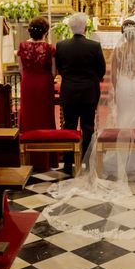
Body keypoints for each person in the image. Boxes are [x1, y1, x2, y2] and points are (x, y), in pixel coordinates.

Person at [42, 20, 135, 239]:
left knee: (124, 121)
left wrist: (114, 94)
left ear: (123, 33)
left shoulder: (118, 50)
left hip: (124, 86)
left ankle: (124, 159)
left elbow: (112, 75)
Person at [55, 13, 106, 175]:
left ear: (70, 27)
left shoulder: (61, 45)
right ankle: (87, 162)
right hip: (89, 91)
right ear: (85, 27)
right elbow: (101, 69)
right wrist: (91, 80)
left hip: (69, 90)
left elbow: (60, 68)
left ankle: (68, 163)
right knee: (88, 126)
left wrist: (70, 78)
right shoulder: (94, 46)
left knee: (69, 126)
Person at [18, 16, 57, 171]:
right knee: (44, 117)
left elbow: (20, 69)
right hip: (44, 84)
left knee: (28, 117)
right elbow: (54, 72)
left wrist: (29, 76)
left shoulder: (22, 46)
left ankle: (27, 157)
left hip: (27, 83)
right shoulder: (49, 48)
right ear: (46, 32)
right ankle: (46, 159)